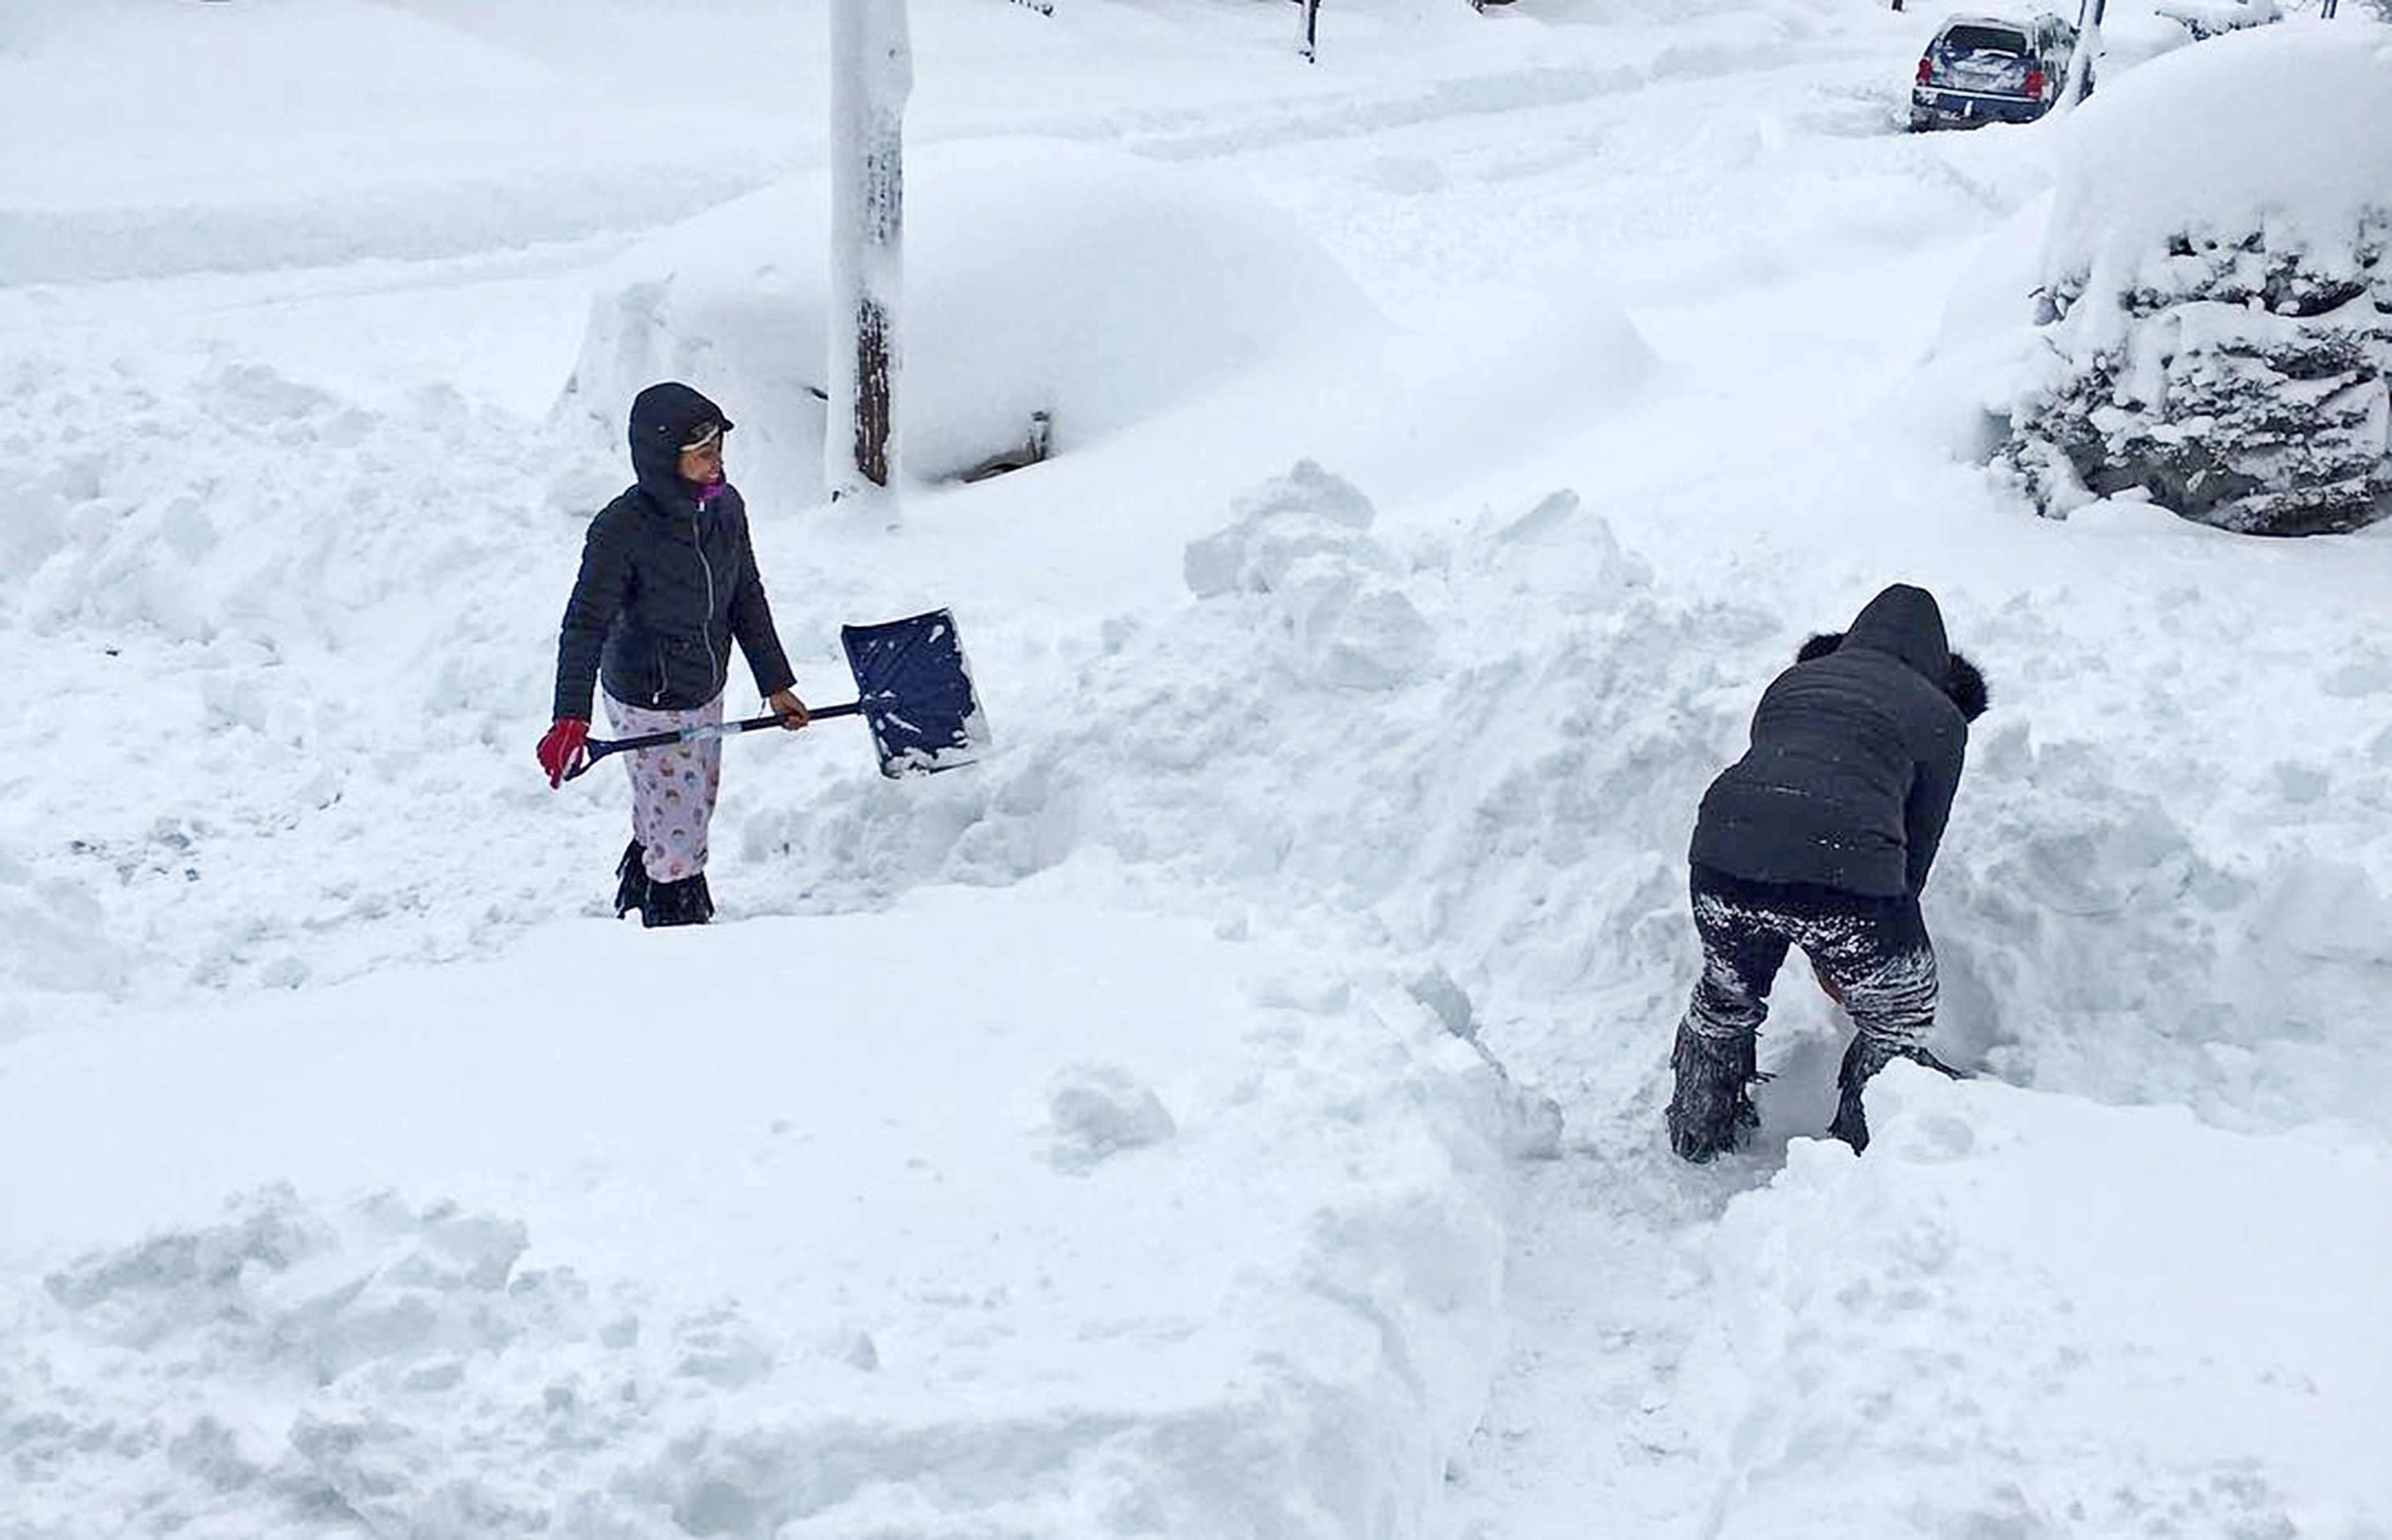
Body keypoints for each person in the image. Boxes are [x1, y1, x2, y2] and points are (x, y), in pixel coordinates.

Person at [1666, 582, 1989, 1160]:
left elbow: (1780, 791)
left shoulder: (1792, 684)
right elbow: (1912, 858)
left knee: (1727, 994)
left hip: (1720, 855)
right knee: (1899, 1015)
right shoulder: (1941, 716)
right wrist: (1847, 953)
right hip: (1845, 870)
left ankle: (1699, 1125)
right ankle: (1872, 1155)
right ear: (1939, 663)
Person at [535, 382, 810, 927]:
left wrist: (775, 685)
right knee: (681, 822)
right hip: (647, 695)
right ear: (664, 459)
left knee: (687, 802)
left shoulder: (726, 509)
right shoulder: (622, 530)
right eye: (703, 455)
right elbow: (584, 624)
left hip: (705, 681)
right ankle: (675, 921)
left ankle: (644, 880)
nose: (717, 466)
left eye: (719, 452)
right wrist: (570, 716)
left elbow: (745, 597)